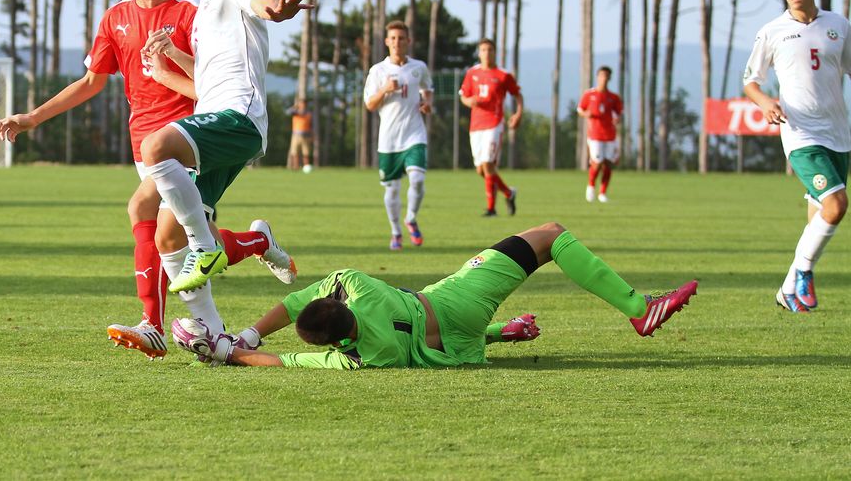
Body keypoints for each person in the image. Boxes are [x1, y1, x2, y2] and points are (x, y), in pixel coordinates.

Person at [0, 0, 293, 360]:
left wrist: (169, 66)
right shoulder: (116, 18)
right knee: (175, 240)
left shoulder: (195, 9)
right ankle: (226, 308)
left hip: (188, 138)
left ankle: (154, 324)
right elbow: (91, 81)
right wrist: (34, 117)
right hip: (148, 146)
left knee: (145, 211)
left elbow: (210, 85)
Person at [172, 222, 698, 369]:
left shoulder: (358, 360)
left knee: (435, 338)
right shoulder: (359, 285)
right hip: (451, 300)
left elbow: (283, 358)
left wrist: (234, 353)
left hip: (464, 347)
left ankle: (505, 330)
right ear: (339, 301)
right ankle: (638, 308)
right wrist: (241, 337)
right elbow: (293, 305)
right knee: (550, 237)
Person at [139, 0, 311, 330]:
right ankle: (216, 335)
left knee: (155, 147)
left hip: (239, 119)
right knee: (166, 235)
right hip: (216, 119)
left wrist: (275, 9)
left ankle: (205, 245)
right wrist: (168, 67)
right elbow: (207, 83)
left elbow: (256, 0)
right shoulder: (201, 14)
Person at [743, 0, 851, 313]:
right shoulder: (772, 31)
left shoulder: (838, 26)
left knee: (818, 215)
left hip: (838, 135)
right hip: (800, 135)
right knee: (837, 205)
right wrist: (764, 103)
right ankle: (803, 272)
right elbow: (751, 81)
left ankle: (787, 289)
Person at [363, 21, 434, 250]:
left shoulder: (418, 67)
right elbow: (370, 105)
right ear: (386, 42)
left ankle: (411, 218)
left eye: (401, 38)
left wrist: (427, 103)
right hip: (389, 140)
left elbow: (427, 88)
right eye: (392, 38)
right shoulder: (378, 71)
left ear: (408, 41)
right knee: (392, 189)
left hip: (415, 134)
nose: (396, 42)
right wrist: (385, 89)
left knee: (418, 180)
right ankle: (396, 232)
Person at [459, 39, 522, 217]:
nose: (487, 53)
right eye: (483, 50)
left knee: (487, 164)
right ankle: (509, 193)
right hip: (475, 125)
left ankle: (491, 209)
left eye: (490, 50)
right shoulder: (472, 73)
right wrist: (469, 101)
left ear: (495, 52)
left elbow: (517, 95)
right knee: (482, 170)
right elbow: (464, 95)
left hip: (494, 124)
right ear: (479, 53)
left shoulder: (503, 75)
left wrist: (518, 113)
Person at [577, 66, 623, 203]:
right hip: (595, 134)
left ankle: (602, 193)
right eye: (602, 75)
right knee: (597, 163)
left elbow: (619, 113)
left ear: (609, 78)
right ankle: (591, 186)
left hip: (610, 135)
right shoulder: (589, 94)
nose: (604, 78)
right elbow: (580, 109)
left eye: (606, 76)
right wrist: (586, 114)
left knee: (608, 164)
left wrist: (617, 119)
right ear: (598, 77)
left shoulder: (613, 97)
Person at [287, 99, 313, 171]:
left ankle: (306, 166)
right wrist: (295, 106)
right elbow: (288, 112)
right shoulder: (295, 112)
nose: (302, 105)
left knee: (306, 152)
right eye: (301, 103)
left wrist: (312, 135)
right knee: (295, 152)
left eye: (303, 104)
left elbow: (311, 125)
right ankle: (296, 167)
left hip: (305, 135)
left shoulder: (308, 113)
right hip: (296, 135)